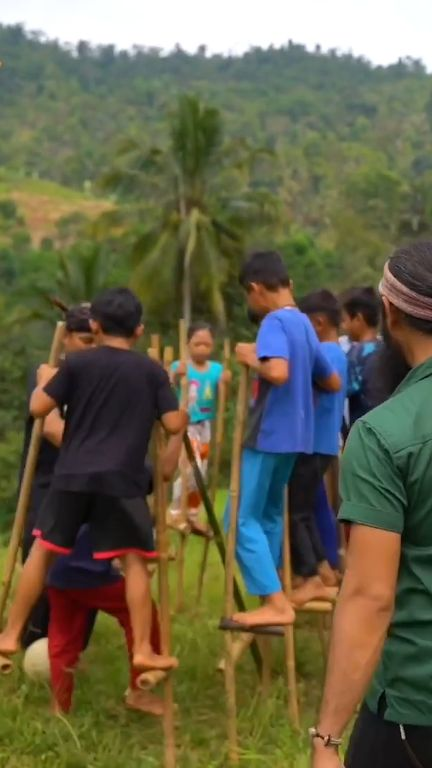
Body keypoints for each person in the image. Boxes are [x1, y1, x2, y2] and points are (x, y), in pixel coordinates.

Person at [0, 287, 187, 672]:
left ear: (96, 326)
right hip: (122, 480)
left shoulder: (77, 364)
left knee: (43, 551)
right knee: (135, 563)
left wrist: (47, 380)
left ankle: (10, 634)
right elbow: (170, 423)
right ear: (139, 330)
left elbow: (39, 407)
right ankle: (141, 649)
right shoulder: (150, 371)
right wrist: (178, 419)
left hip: (70, 475)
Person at [311, 242, 432, 768]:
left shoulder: (385, 435)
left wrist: (328, 739)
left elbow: (369, 596)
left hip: (415, 709)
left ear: (390, 313)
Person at [226, 251, 341, 628]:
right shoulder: (307, 326)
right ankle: (277, 588)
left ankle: (274, 601)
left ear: (256, 290)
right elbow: (332, 381)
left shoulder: (273, 323)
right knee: (271, 514)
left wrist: (249, 356)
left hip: (270, 435)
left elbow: (276, 371)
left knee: (240, 519)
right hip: (299, 438)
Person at [46, 429, 185, 716]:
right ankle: (140, 688)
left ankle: (60, 706)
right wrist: (178, 432)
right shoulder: (123, 463)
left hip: (59, 568)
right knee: (141, 613)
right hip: (91, 569)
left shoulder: (77, 457)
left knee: (62, 638)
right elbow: (166, 472)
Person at [20, 303, 95, 649]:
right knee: (41, 564)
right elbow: (51, 429)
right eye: (84, 339)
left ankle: (73, 648)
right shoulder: (48, 378)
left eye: (97, 340)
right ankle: (32, 637)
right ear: (65, 339)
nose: (91, 348)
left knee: (88, 569)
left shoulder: (103, 381)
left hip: (90, 488)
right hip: (47, 486)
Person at [288, 290, 347, 607]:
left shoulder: (323, 355)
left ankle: (309, 574)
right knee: (305, 509)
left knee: (294, 512)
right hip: (324, 444)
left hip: (311, 445)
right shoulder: (338, 353)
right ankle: (323, 570)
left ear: (319, 323)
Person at [169, 322, 230, 535]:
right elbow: (169, 385)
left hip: (205, 424)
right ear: (187, 344)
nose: (202, 348)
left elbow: (224, 395)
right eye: (197, 344)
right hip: (185, 425)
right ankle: (175, 511)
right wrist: (176, 376)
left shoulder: (217, 370)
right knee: (189, 469)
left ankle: (193, 512)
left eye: (206, 344)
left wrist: (225, 383)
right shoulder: (180, 366)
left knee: (201, 472)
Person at [341, 286, 381, 429]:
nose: (343, 326)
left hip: (364, 429)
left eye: (345, 320)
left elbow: (341, 389)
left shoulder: (356, 354)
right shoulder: (388, 349)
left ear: (358, 319)